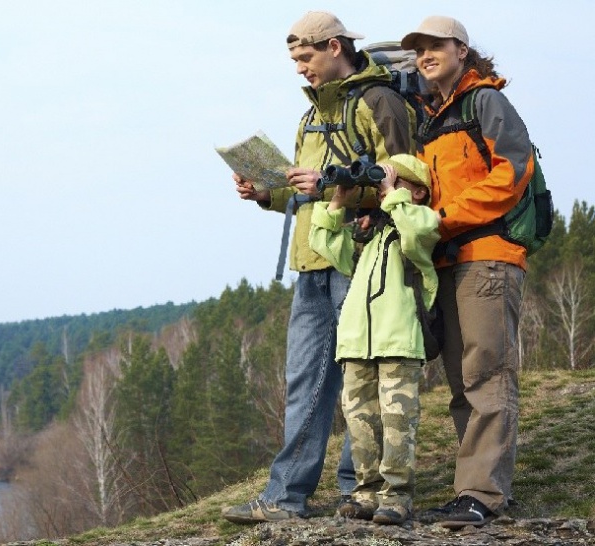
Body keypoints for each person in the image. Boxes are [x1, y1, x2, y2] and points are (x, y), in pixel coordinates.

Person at [221, 11, 417, 523]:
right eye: (294, 60)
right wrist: (266, 192)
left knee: (358, 381)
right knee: (305, 382)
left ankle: (354, 492)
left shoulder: (381, 103)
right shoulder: (309, 115)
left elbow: (410, 186)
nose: (299, 69)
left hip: (361, 259)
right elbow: (301, 187)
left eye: (304, 57)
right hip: (311, 261)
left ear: (334, 47)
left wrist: (330, 186)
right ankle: (294, 496)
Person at [400, 16, 534, 528]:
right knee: (461, 380)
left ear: (461, 48)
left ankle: (483, 494)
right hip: (449, 261)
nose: (425, 55)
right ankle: (472, 492)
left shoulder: (487, 102)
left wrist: (445, 217)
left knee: (486, 375)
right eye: (419, 50)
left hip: (487, 255)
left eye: (435, 46)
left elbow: (513, 169)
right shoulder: (433, 118)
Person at [308, 154, 439, 525]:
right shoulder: (370, 236)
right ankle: (366, 493)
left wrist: (392, 194)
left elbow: (415, 231)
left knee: (398, 421)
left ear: (418, 192)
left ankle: (397, 496)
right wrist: (339, 200)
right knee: (361, 421)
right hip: (356, 345)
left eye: (397, 184)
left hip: (399, 343)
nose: (386, 192)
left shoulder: (422, 225)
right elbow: (323, 242)